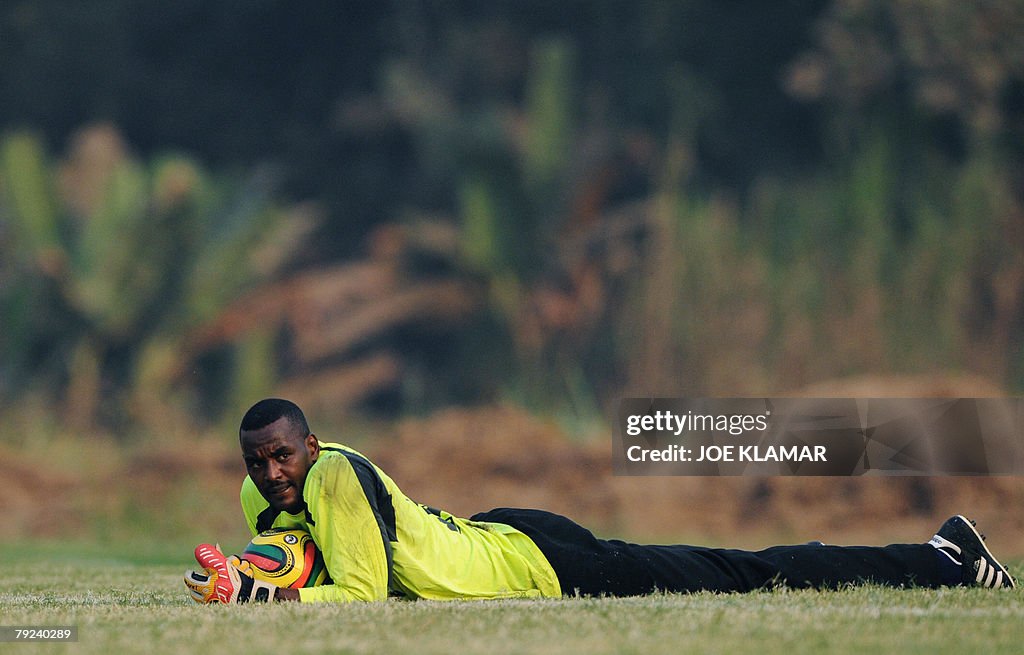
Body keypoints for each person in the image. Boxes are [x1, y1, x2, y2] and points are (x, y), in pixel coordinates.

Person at [184, 398, 1016, 604]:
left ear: (312, 445)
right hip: (504, 533)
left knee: (740, 573)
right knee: (728, 568)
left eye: (282, 454)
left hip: (541, 564)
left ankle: (943, 558)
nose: (271, 471)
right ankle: (942, 555)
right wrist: (257, 575)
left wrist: (264, 597)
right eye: (258, 462)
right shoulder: (267, 499)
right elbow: (309, 560)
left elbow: (360, 595)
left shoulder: (336, 474)